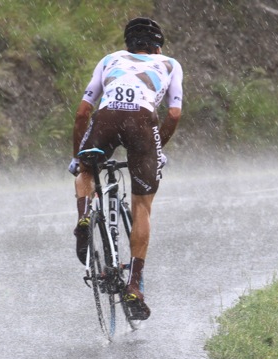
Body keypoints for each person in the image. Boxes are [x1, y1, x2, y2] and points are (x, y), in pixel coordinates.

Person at [68, 17, 183, 320]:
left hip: (105, 120)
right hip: (142, 125)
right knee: (142, 205)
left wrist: (77, 156)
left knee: (87, 171)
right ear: (157, 47)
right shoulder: (169, 64)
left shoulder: (110, 59)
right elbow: (173, 113)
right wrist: (160, 147)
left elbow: (82, 112)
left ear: (127, 45)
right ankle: (133, 284)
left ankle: (83, 218)